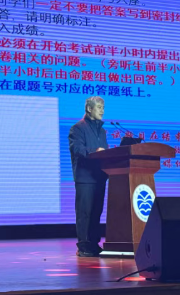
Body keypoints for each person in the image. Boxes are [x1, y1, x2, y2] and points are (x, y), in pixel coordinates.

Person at [68, 96, 109, 257]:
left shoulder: (102, 131)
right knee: (84, 213)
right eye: (99, 107)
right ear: (89, 109)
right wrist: (95, 151)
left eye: (103, 107)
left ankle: (93, 243)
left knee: (96, 212)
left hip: (99, 177)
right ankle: (83, 245)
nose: (102, 111)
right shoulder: (77, 128)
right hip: (85, 178)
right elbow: (77, 149)